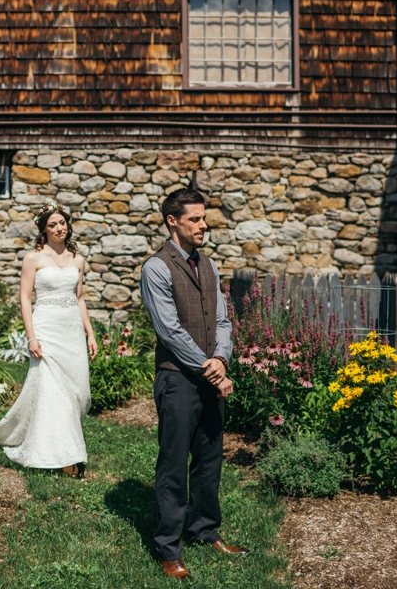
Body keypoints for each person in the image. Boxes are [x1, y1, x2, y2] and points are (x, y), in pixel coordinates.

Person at [140, 187, 249, 581]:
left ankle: (204, 529)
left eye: (204, 218)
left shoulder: (209, 264)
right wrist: (209, 368)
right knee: (173, 464)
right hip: (177, 378)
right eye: (195, 219)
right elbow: (168, 330)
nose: (204, 225)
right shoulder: (156, 268)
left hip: (209, 373)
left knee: (209, 457)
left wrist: (221, 359)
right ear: (173, 221)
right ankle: (168, 548)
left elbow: (222, 321)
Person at [0, 202, 97, 478]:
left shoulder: (77, 259)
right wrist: (31, 336)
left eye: (62, 223)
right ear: (43, 230)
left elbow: (80, 298)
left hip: (71, 331)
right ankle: (65, 456)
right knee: (53, 392)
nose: (59, 228)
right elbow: (24, 298)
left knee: (78, 393)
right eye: (52, 225)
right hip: (46, 329)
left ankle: (55, 442)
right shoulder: (33, 258)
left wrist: (90, 333)